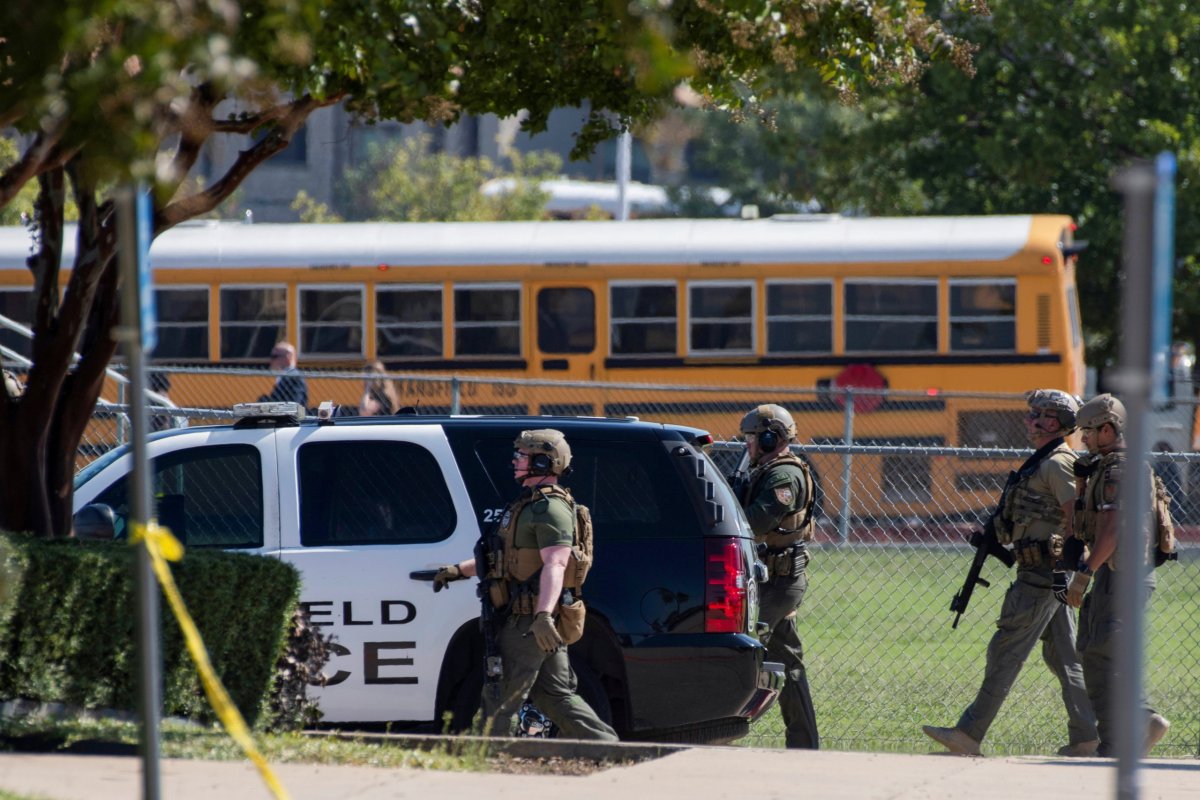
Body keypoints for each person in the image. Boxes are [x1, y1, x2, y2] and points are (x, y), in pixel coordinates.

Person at [923, 389, 1098, 757]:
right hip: (1047, 574)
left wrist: (1064, 567)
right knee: (1064, 659)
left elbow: (1076, 518)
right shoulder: (1043, 460)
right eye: (1032, 413)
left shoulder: (1057, 463)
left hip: (1042, 576)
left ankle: (969, 734)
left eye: (1039, 414)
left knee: (1006, 650)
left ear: (1056, 421)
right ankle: (1086, 738)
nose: (1029, 420)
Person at [430, 429, 617, 741]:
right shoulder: (528, 505)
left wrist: (543, 616)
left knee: (500, 699)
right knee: (555, 696)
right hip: (531, 620)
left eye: (523, 455)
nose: (516, 460)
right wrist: (456, 571)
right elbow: (507, 560)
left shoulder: (549, 508)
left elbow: (556, 563)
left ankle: (487, 763)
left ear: (544, 462)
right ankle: (611, 749)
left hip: (531, 622)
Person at [1067, 393, 1171, 757]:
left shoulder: (1117, 469)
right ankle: (1113, 744)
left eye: (1089, 431)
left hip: (1118, 576)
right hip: (1122, 575)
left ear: (1108, 429)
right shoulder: (1116, 465)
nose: (1084, 439)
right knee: (1096, 651)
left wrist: (1084, 572)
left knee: (1105, 650)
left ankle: (1144, 718)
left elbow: (1112, 529)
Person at [737, 404, 819, 749]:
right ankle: (804, 745)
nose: (748, 446)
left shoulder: (783, 476)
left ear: (771, 438)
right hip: (772, 579)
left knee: (738, 647)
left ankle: (717, 728)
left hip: (779, 582)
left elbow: (753, 523)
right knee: (788, 662)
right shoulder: (767, 470)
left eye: (752, 438)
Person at [257, 341, 307, 407]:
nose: (271, 360)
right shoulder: (285, 376)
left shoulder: (293, 377)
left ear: (288, 357)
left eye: (275, 356)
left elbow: (295, 403)